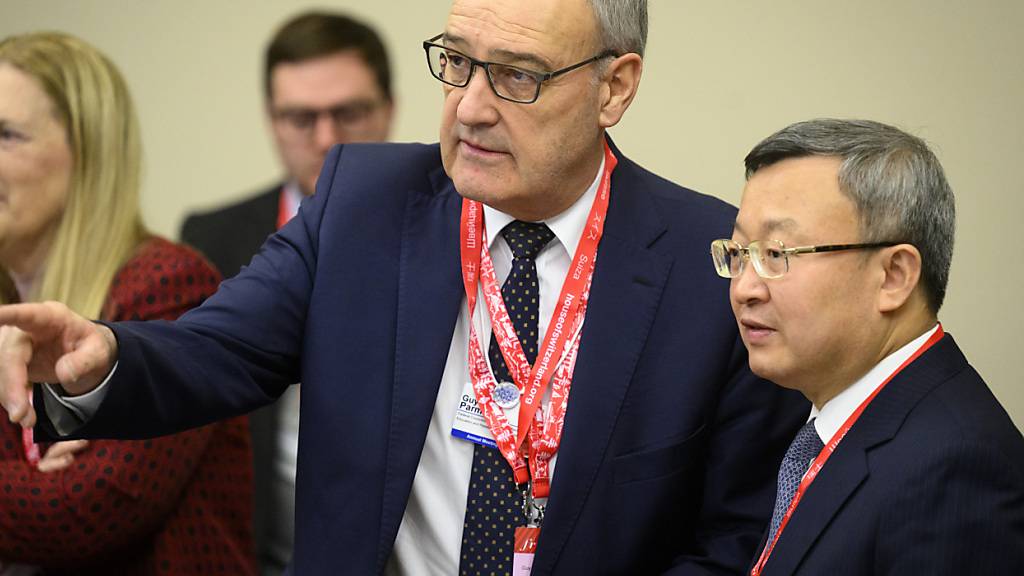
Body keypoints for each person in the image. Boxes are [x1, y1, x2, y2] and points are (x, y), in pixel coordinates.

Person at [0, 2, 806, 574]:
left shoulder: (706, 264)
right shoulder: (364, 201)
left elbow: (734, 536)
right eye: (456, 63)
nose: (471, 109)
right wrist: (104, 352)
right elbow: (219, 350)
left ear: (615, 87)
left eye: (517, 77)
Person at [712, 118, 1024, 575]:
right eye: (740, 254)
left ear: (894, 276)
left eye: (777, 254)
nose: (745, 289)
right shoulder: (834, 422)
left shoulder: (956, 470)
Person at [0, 32, 256, 574]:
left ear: (87, 156)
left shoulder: (167, 287)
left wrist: (41, 492)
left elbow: (80, 514)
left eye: (6, 135)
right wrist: (29, 484)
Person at [179, 12, 394, 574]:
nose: (326, 139)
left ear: (389, 108)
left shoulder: (460, 231)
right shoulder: (210, 239)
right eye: (301, 117)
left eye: (348, 112)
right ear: (272, 121)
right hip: (255, 553)